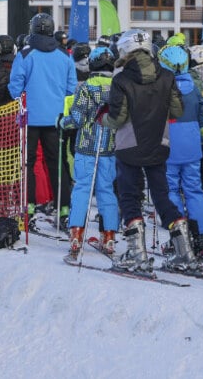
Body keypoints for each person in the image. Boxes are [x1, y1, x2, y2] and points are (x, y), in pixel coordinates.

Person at [100, 29, 201, 275]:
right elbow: (176, 110)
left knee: (129, 197)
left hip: (129, 147)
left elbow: (117, 118)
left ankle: (137, 254)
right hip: (159, 144)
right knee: (162, 196)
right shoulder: (167, 76)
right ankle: (185, 254)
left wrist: (103, 118)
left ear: (125, 50)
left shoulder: (121, 79)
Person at [9, 14, 78, 227]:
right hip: (55, 118)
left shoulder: (25, 54)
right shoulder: (64, 55)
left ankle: (28, 208)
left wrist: (24, 96)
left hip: (28, 117)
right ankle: (64, 209)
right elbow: (71, 87)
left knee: (27, 163)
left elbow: (15, 87)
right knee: (58, 164)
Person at [58, 46, 119, 257]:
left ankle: (76, 233)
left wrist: (62, 122)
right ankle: (109, 235)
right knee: (107, 191)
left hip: (86, 147)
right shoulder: (118, 87)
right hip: (110, 149)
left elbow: (77, 119)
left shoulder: (85, 87)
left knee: (82, 189)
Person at [159, 45, 203, 264]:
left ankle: (179, 236)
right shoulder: (195, 86)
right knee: (194, 190)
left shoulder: (162, 86)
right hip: (192, 144)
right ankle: (202, 238)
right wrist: (199, 137)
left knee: (170, 190)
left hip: (168, 144)